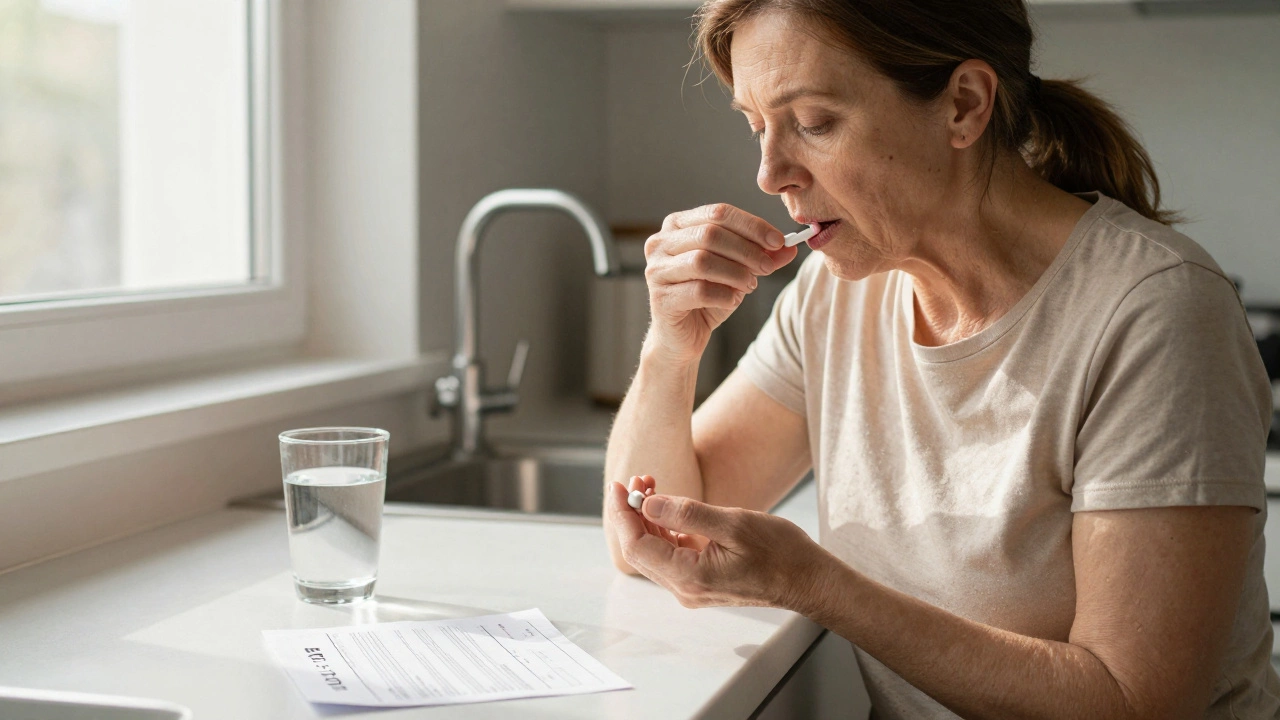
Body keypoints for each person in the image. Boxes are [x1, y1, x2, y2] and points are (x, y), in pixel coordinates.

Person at [600, 0, 1280, 717]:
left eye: (814, 122)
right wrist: (672, 343)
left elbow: (1133, 702)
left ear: (963, 105)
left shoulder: (1155, 312)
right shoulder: (834, 295)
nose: (769, 173)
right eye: (756, 125)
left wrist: (816, 584)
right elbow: (661, 535)